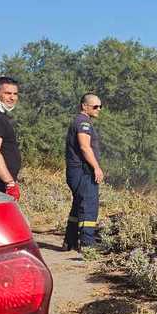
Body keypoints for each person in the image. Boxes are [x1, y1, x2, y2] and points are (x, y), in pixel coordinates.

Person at [63, 93, 106, 251]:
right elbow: (84, 147)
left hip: (76, 171)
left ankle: (70, 241)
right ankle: (87, 243)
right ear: (84, 106)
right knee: (89, 205)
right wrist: (96, 167)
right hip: (83, 171)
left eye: (100, 106)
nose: (98, 109)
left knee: (78, 205)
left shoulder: (80, 121)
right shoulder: (83, 123)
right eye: (95, 106)